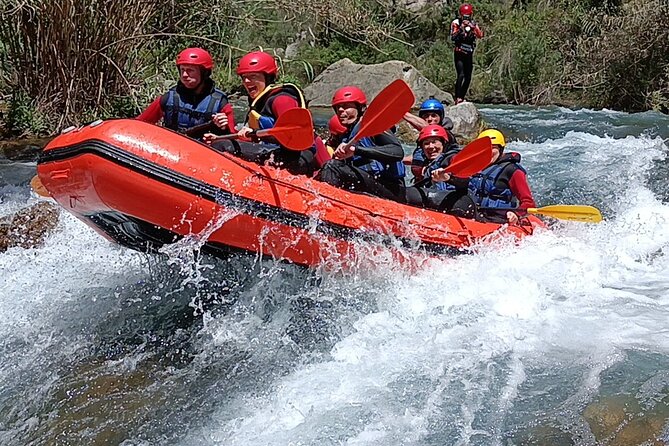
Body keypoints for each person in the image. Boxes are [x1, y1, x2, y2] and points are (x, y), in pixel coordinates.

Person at [205, 50, 328, 176]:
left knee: (223, 147)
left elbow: (292, 135)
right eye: (244, 77)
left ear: (267, 77)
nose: (246, 81)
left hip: (298, 157)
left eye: (253, 76)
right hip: (281, 152)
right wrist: (220, 134)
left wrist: (254, 135)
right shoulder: (259, 102)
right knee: (219, 142)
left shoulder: (282, 100)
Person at [316, 86, 407, 202]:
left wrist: (356, 150)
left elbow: (397, 152)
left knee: (332, 166)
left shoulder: (374, 126)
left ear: (360, 108)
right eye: (338, 108)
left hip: (389, 187)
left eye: (345, 107)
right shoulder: (347, 136)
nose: (340, 111)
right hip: (368, 183)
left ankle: (326, 206)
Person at [434, 128, 536, 224]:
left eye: (493, 148)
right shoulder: (474, 166)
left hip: (498, 218)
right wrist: (447, 178)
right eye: (485, 149)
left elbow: (528, 202)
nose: (488, 152)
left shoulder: (512, 170)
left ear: (501, 149)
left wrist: (516, 214)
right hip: (474, 214)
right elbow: (465, 184)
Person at [136, 48, 235, 140]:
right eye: (182, 70)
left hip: (202, 153)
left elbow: (233, 138)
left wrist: (223, 128)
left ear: (204, 73)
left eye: (190, 70)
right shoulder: (168, 98)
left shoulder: (220, 103)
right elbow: (139, 124)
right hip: (171, 148)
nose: (184, 75)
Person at [404, 125, 476, 218]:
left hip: (460, 203)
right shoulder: (427, 163)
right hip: (439, 204)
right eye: (426, 143)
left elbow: (466, 181)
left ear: (443, 144)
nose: (431, 146)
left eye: (434, 142)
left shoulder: (453, 158)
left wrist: (448, 178)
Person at [406, 98, 458, 181]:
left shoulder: (446, 135)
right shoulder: (423, 137)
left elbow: (428, 128)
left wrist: (403, 113)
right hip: (422, 181)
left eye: (434, 115)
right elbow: (419, 156)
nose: (430, 119)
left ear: (440, 118)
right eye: (426, 116)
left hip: (441, 182)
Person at [451, 4, 484, 104]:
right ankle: (457, 98)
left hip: (468, 53)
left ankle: (462, 96)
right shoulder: (456, 23)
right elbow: (453, 37)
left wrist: (473, 27)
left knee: (468, 76)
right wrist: (461, 27)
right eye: (464, 16)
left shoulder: (473, 24)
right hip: (459, 52)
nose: (466, 18)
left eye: (468, 16)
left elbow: (480, 35)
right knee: (460, 75)